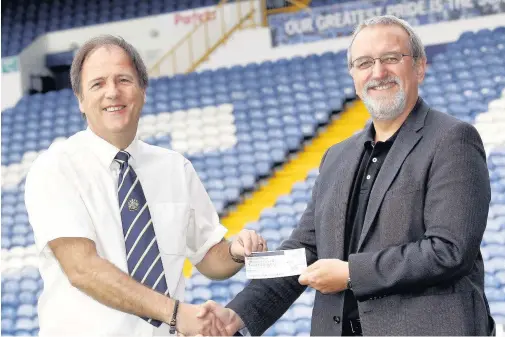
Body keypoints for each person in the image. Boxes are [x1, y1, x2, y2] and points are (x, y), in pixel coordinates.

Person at [197, 15, 496, 336]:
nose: (378, 72)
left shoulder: (452, 138)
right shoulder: (337, 156)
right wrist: (236, 315)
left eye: (391, 59)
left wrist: (353, 273)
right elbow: (304, 252)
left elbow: (449, 250)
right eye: (364, 63)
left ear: (420, 67)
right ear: (353, 75)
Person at [24, 35, 268, 337]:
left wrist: (235, 252)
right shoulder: (56, 167)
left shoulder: (175, 168)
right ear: (80, 100)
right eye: (98, 84)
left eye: (123, 80)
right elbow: (83, 269)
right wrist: (177, 314)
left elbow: (207, 257)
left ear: (143, 90)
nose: (112, 92)